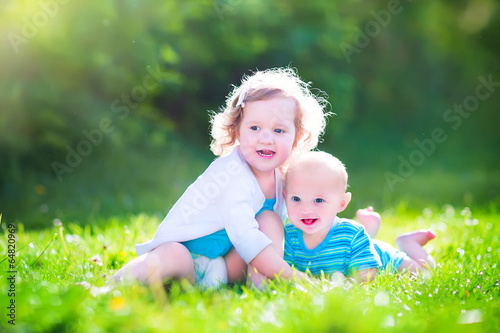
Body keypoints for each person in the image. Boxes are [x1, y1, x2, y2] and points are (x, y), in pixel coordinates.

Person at [112, 67, 329, 289]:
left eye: (279, 131)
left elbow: (302, 223)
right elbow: (247, 239)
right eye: (254, 127)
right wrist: (295, 278)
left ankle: (261, 289)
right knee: (174, 254)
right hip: (187, 263)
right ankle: (113, 286)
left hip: (225, 269)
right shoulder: (231, 174)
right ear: (237, 131)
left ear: (297, 137)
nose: (266, 138)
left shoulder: (283, 179)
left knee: (270, 221)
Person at [283, 151, 437, 282]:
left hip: (386, 260)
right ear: (285, 197)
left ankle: (408, 243)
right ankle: (371, 228)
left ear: (341, 203)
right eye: (296, 199)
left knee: (424, 273)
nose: (306, 209)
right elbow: (283, 270)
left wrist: (342, 287)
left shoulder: (351, 232)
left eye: (318, 200)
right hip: (360, 247)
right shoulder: (288, 237)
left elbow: (367, 275)